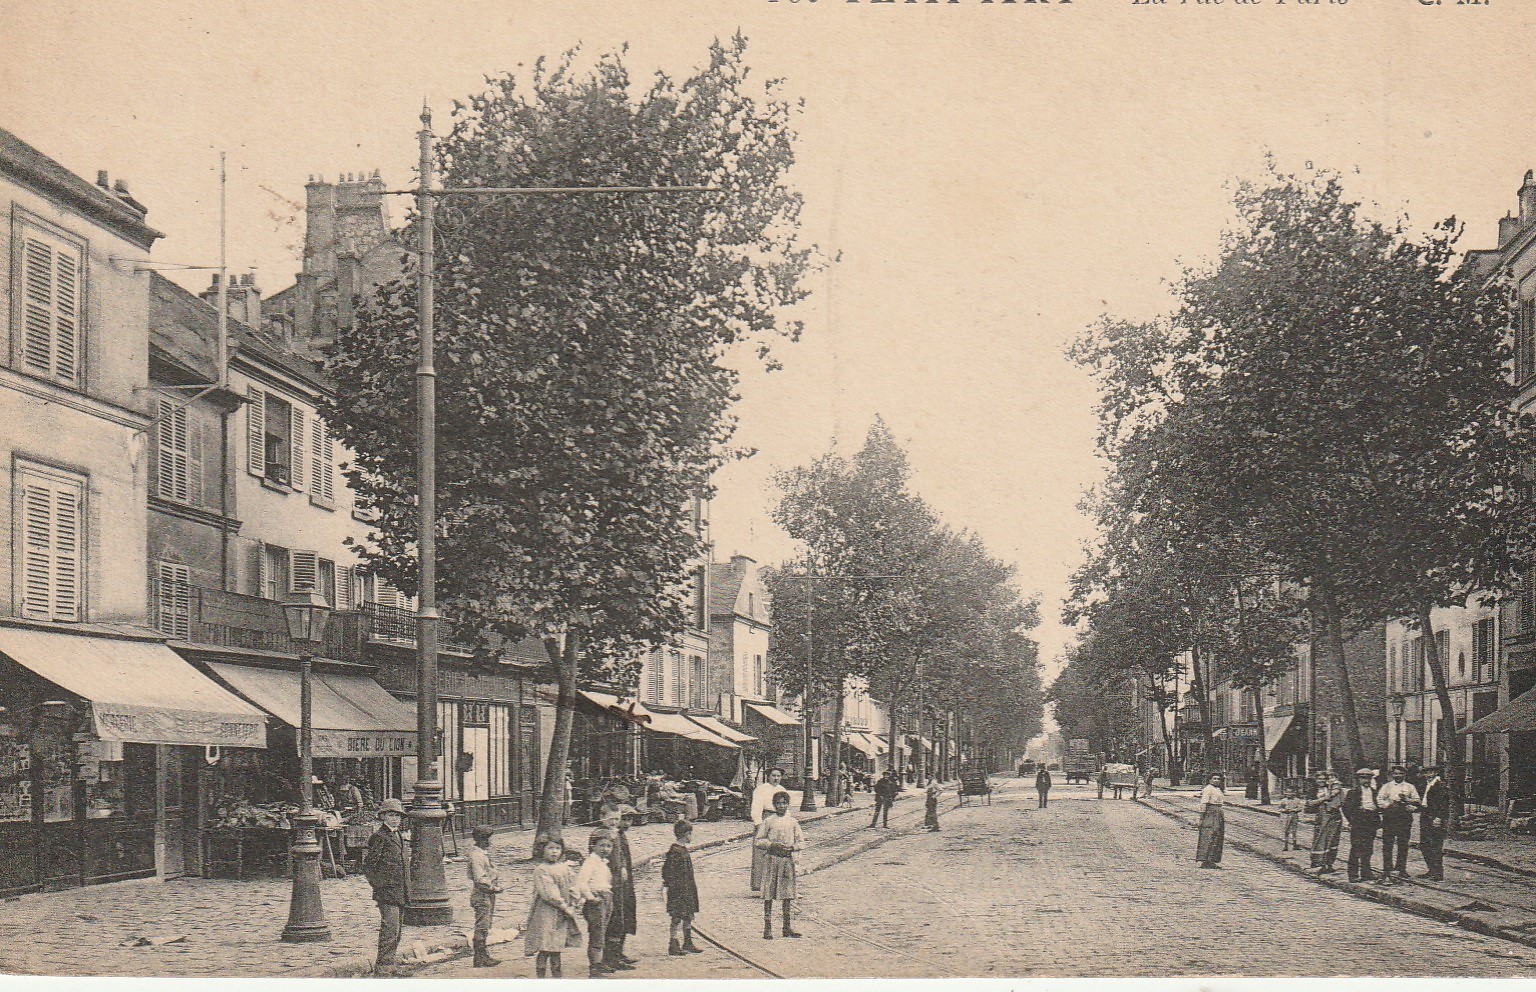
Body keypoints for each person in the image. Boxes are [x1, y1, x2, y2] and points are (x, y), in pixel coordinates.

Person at [362, 798, 409, 977]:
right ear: (383, 816)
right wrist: (380, 885)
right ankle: (382, 970)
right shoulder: (379, 837)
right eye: (391, 815)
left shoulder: (398, 835)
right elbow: (369, 865)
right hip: (387, 892)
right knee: (390, 930)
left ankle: (391, 966)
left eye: (398, 815)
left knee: (397, 931)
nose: (395, 819)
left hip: (400, 890)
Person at [524, 836, 583, 978]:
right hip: (546, 912)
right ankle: (541, 977)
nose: (554, 852)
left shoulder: (564, 868)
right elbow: (549, 893)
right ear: (542, 850)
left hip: (561, 913)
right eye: (550, 848)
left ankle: (557, 976)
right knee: (545, 946)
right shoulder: (541, 870)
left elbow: (573, 884)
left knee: (556, 946)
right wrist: (564, 906)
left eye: (558, 848)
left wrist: (576, 901)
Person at [755, 791, 804, 940]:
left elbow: (801, 842)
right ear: (774, 805)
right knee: (768, 894)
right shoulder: (769, 821)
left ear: (788, 804)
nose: (781, 806)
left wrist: (793, 848)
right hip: (772, 859)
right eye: (778, 803)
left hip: (787, 861)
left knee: (787, 894)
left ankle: (786, 927)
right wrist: (771, 845)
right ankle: (767, 928)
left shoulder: (793, 822)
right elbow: (758, 841)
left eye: (784, 803)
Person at [601, 808, 639, 971]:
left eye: (629, 820)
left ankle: (618, 953)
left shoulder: (619, 836)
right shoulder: (607, 836)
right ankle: (610, 957)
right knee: (614, 919)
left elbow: (623, 858)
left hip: (624, 884)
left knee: (624, 916)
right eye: (624, 820)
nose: (626, 823)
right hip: (612, 883)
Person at [574, 829, 614, 978]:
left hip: (606, 898)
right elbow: (582, 883)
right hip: (596, 901)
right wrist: (591, 898)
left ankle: (600, 961)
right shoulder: (590, 862)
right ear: (593, 846)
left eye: (609, 846)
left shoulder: (603, 863)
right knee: (597, 934)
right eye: (602, 845)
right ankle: (594, 968)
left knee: (603, 932)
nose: (606, 849)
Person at [663, 819, 703, 956]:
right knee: (676, 917)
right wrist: (673, 886)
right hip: (678, 891)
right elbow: (668, 872)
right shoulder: (675, 851)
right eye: (690, 834)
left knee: (688, 915)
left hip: (687, 889)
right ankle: (673, 943)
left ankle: (687, 941)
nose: (691, 836)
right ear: (686, 834)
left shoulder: (683, 850)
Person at [1377, 764, 1420, 885]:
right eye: (1395, 773)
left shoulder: (1410, 787)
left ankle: (1401, 868)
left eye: (1400, 773)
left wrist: (1408, 803)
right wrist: (1389, 803)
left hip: (1404, 818)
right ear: (1392, 775)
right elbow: (1379, 800)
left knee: (1403, 844)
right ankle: (1387, 869)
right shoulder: (1386, 786)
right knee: (1388, 844)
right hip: (1390, 817)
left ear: (1404, 775)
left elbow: (1417, 801)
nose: (1398, 775)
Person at [467, 824, 503, 968]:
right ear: (483, 839)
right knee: (482, 925)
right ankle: (480, 957)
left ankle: (482, 956)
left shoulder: (482, 853)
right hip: (482, 894)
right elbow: (480, 879)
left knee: (485, 925)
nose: (490, 841)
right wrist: (493, 888)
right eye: (489, 838)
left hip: (487, 894)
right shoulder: (476, 855)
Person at [750, 768, 790, 890]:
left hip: (779, 820)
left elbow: (786, 808)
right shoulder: (761, 789)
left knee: (779, 851)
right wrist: (758, 823)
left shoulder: (782, 789)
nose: (776, 778)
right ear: (768, 776)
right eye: (773, 775)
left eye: (778, 776)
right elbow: (756, 807)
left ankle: (777, 885)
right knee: (762, 852)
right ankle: (760, 884)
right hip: (765, 819)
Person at [1342, 768, 1382, 883]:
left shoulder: (1374, 792)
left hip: (1371, 821)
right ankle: (1353, 874)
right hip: (1359, 822)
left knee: (1368, 848)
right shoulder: (1353, 792)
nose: (1366, 781)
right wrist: (1352, 820)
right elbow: (1346, 808)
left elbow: (1378, 805)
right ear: (1359, 779)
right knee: (1356, 848)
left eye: (1368, 778)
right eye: (1363, 778)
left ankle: (1366, 873)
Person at [1307, 771, 1345, 873]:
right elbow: (1310, 803)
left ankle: (1329, 863)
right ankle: (1317, 863)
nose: (1322, 781)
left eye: (1324, 779)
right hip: (1322, 816)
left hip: (1334, 815)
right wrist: (1324, 799)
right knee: (1321, 838)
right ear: (1316, 780)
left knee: (1333, 839)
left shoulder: (1331, 787)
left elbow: (1340, 798)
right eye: (1320, 779)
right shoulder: (1313, 790)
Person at [1419, 763, 1448, 881]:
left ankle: (1438, 872)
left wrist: (1439, 817)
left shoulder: (1440, 785)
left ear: (1436, 773)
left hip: (1435, 817)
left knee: (1435, 845)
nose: (1428, 774)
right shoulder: (1425, 785)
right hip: (1425, 815)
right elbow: (1423, 801)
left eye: (1431, 772)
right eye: (1426, 772)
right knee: (1424, 844)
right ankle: (1431, 869)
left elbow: (1444, 804)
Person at [1196, 773, 1226, 868]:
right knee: (1210, 834)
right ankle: (1206, 860)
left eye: (1218, 779)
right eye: (1214, 778)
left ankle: (1212, 859)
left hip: (1218, 812)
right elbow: (1204, 803)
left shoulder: (1218, 789)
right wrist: (1202, 817)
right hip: (1211, 812)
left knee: (1217, 835)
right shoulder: (1208, 789)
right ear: (1210, 780)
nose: (1216, 780)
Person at [1278, 786, 1304, 852]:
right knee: (1286, 831)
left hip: (1294, 816)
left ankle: (1295, 845)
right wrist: (1284, 810)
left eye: (1291, 792)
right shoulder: (1283, 800)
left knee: (1294, 831)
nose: (1289, 794)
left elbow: (1300, 808)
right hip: (1285, 816)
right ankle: (1285, 846)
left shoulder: (1297, 800)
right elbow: (1279, 809)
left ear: (1294, 793)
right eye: (1287, 792)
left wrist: (1294, 810)